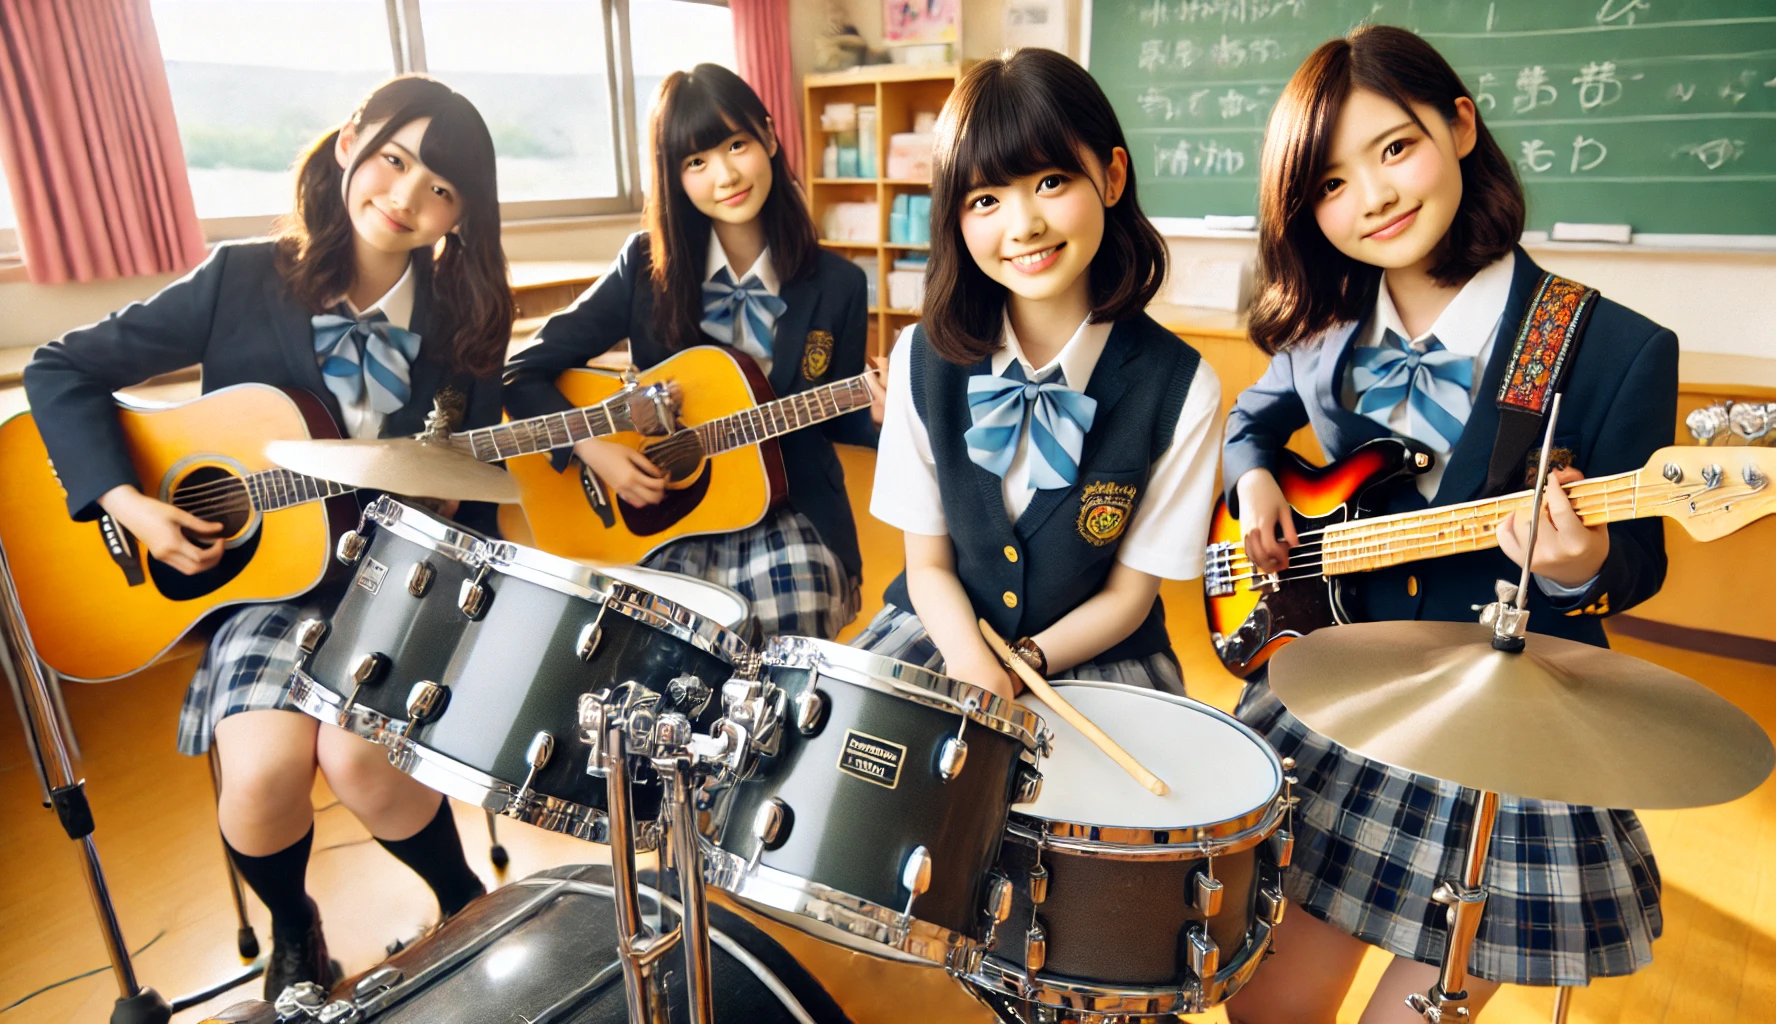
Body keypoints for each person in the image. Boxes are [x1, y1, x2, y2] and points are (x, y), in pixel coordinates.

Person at [1219, 27, 1674, 1024]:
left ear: (1459, 126)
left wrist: (1578, 560)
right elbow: (1252, 417)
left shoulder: (1613, 348)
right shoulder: (1325, 331)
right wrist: (1253, 477)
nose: (1372, 197)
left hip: (1511, 736)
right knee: (1265, 1007)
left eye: (1393, 149)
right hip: (1344, 701)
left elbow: (1635, 563)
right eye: (1329, 185)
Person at [23, 75, 514, 998]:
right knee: (262, 771)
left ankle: (465, 899)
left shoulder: (470, 317)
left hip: (401, 580)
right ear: (349, 145)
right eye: (395, 161)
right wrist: (127, 503)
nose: (407, 198)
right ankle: (297, 928)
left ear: (464, 214)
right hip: (265, 586)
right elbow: (60, 371)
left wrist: (456, 528)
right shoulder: (243, 278)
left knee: (358, 753)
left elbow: (480, 493)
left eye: (442, 188)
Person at [851, 48, 1221, 700]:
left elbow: (1131, 598)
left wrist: (1024, 664)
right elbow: (928, 566)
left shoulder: (1184, 388)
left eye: (1052, 181)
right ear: (955, 219)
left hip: (1097, 649)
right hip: (944, 631)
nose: (1024, 226)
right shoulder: (920, 356)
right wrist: (972, 663)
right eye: (986, 199)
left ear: (1110, 178)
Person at [503, 64, 879, 642]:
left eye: (737, 145)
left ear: (770, 139)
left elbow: (840, 419)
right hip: (664, 515)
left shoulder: (840, 284)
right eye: (696, 162)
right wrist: (593, 450)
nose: (725, 175)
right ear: (673, 176)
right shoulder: (645, 268)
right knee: (651, 647)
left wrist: (880, 414)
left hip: (791, 506)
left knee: (782, 636)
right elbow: (521, 373)